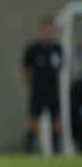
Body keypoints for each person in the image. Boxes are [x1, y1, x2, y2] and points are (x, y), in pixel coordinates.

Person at [23, 16, 63, 152]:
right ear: (42, 30)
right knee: (34, 118)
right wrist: (34, 83)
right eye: (46, 28)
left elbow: (59, 69)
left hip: (52, 89)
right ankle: (29, 145)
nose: (49, 32)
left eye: (51, 29)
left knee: (56, 119)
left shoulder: (57, 49)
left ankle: (56, 147)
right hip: (38, 89)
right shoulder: (34, 49)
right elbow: (26, 70)